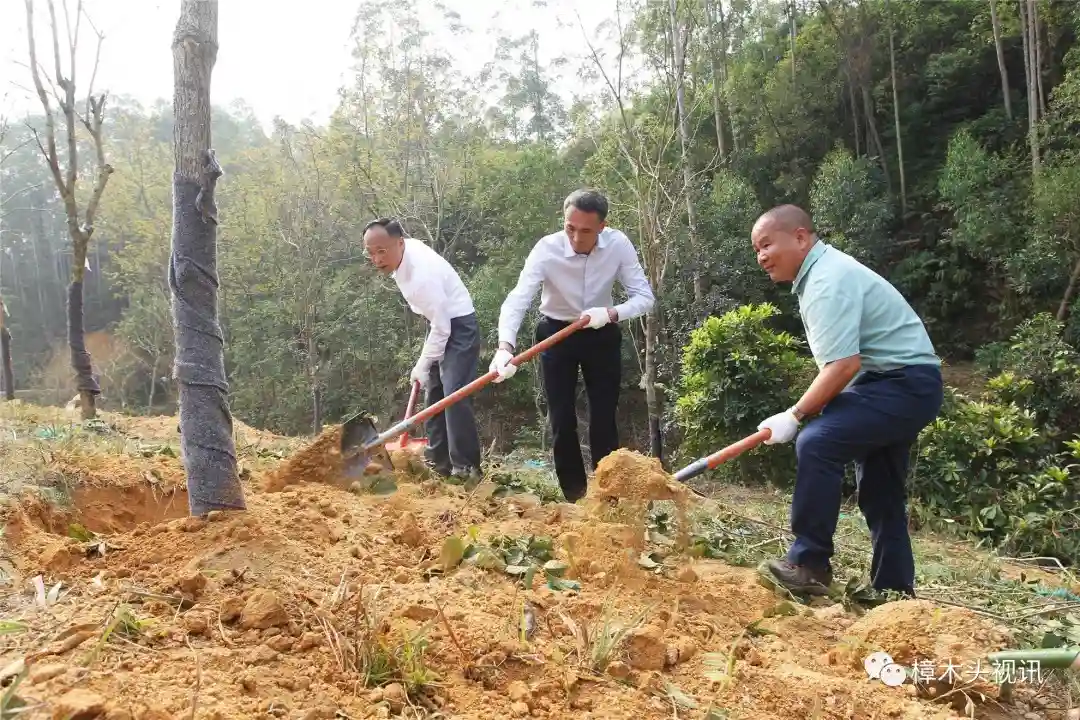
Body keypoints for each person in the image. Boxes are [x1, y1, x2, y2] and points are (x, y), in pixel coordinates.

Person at [751, 204, 943, 598]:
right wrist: (810, 408)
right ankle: (894, 591)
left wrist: (796, 414)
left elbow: (842, 365)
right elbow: (845, 370)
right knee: (880, 489)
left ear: (801, 237)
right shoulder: (822, 274)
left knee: (816, 442)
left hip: (902, 384)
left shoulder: (826, 280)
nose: (761, 257)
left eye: (767, 244)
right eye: (756, 250)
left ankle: (809, 564)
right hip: (892, 384)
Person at [489, 189, 656, 502]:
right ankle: (576, 496)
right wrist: (504, 347)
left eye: (586, 230)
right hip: (556, 333)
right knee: (561, 417)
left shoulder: (618, 244)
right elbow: (518, 298)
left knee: (604, 417)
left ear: (602, 227)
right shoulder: (546, 249)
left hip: (601, 331)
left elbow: (644, 298)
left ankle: (608, 494)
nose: (577, 238)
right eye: (570, 228)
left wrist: (610, 313)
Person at [363, 218, 482, 480]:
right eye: (370, 253)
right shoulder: (404, 253)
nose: (376, 259)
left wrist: (423, 362)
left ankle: (466, 469)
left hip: (459, 326)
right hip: (440, 321)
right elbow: (436, 323)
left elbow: (443, 327)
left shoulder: (421, 278)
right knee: (435, 395)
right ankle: (439, 463)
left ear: (400, 243)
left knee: (454, 397)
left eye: (381, 251)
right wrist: (427, 362)